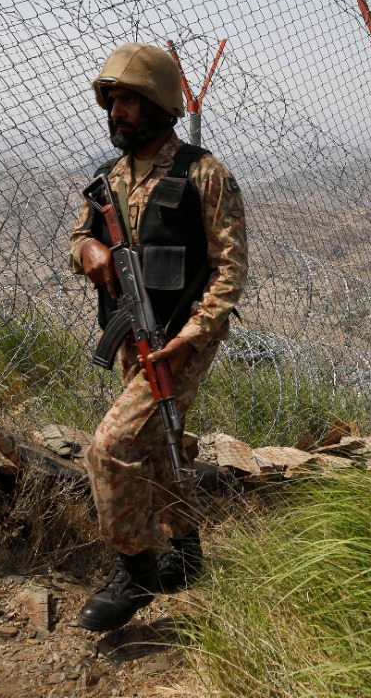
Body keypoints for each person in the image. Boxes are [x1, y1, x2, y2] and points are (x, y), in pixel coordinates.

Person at [68, 43, 248, 632]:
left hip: (179, 343)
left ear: (158, 105)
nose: (116, 111)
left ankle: (137, 567)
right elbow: (79, 239)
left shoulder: (204, 173)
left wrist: (194, 336)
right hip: (129, 337)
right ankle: (189, 556)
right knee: (160, 449)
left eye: (127, 100)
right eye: (112, 100)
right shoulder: (107, 179)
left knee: (113, 447)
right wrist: (88, 249)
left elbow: (229, 268)